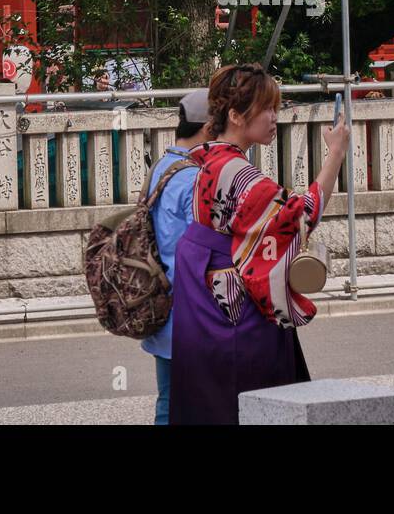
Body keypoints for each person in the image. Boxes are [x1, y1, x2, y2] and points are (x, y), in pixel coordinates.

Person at [169, 63, 351, 426]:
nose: (273, 118)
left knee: (206, 398)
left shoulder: (209, 159)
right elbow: (303, 215)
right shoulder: (240, 173)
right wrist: (336, 154)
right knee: (251, 399)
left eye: (275, 108)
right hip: (234, 304)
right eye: (266, 108)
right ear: (235, 115)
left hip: (203, 288)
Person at [141, 89, 213, 427]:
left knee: (168, 401)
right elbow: (199, 250)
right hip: (190, 313)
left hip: (161, 305)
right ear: (209, 127)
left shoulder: (163, 166)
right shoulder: (193, 177)